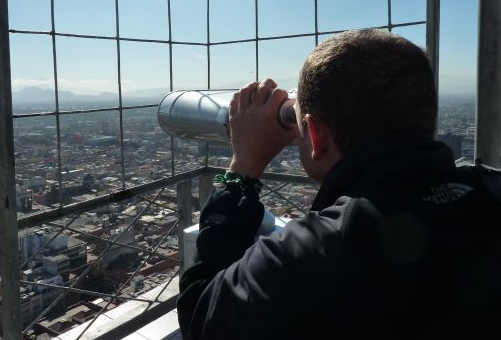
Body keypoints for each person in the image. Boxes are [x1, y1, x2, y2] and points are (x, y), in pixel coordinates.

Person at [177, 29, 501, 339]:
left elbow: (202, 318)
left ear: (315, 135)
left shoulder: (317, 253)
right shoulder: (491, 188)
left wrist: (243, 170)